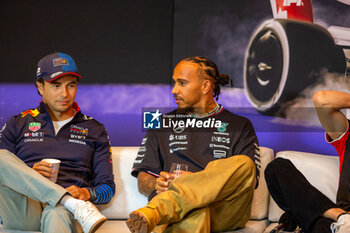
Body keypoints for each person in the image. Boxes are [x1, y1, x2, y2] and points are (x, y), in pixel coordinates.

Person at [126, 56, 261, 233]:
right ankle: (173, 206)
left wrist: (189, 182)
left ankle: (157, 210)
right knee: (197, 211)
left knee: (245, 164)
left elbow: (249, 179)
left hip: (222, 211)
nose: (174, 90)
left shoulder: (240, 125)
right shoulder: (162, 124)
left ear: (205, 86)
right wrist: (156, 183)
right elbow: (143, 179)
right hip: (175, 213)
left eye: (182, 83)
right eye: (174, 83)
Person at [0, 52, 115, 233]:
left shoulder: (94, 129)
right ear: (40, 87)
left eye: (71, 85)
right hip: (25, 209)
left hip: (66, 212)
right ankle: (65, 198)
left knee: (56, 212)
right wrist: (29, 174)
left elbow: (107, 189)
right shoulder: (18, 123)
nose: (65, 94)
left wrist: (86, 193)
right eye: (56, 85)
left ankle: (66, 202)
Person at [265, 90, 350, 233]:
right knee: (276, 168)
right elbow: (322, 99)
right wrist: (341, 216)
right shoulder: (346, 135)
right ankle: (340, 216)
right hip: (337, 224)